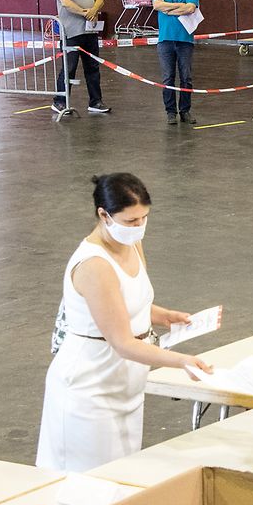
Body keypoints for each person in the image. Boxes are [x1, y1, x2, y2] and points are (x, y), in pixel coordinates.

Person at [37, 173, 212, 473]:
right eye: (131, 221)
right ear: (103, 215)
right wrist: (181, 361)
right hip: (90, 390)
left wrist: (163, 315)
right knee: (88, 483)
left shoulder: (131, 243)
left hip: (126, 386)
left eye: (144, 218)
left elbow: (128, 302)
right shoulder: (94, 265)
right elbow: (122, 341)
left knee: (122, 478)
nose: (139, 227)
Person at [51, 0, 107, 116]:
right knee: (69, 68)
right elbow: (65, 2)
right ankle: (60, 101)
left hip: (90, 32)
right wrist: (86, 13)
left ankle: (95, 101)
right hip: (71, 32)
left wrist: (94, 10)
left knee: (93, 68)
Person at [151, 0, 198, 125]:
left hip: (185, 39)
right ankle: (170, 111)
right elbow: (156, 5)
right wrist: (180, 7)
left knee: (186, 77)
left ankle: (185, 110)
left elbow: (191, 8)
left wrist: (168, 7)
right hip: (165, 39)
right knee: (167, 77)